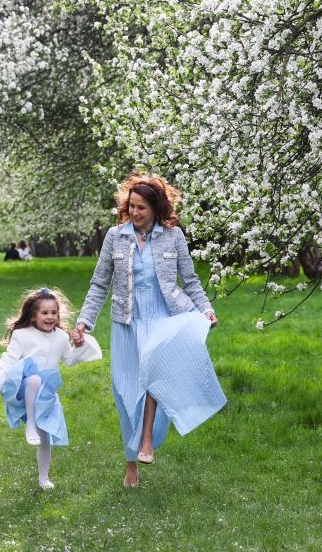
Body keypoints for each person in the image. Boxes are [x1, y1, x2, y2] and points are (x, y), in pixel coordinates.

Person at [71, 172, 226, 489]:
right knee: (126, 392)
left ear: (156, 208)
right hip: (126, 322)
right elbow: (100, 284)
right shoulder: (116, 236)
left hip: (163, 318)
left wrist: (206, 309)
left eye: (141, 207)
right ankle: (131, 462)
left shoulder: (173, 236)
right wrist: (84, 322)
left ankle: (145, 444)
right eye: (131, 206)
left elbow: (190, 281)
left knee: (154, 377)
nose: (135, 213)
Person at [0, 287, 101, 489]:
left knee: (45, 437)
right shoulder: (22, 335)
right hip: (22, 388)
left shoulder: (62, 337)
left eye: (54, 313)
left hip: (46, 396)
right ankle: (29, 425)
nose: (50, 317)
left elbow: (70, 360)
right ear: (33, 315)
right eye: (44, 313)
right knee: (35, 378)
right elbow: (9, 359)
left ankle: (43, 478)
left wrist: (79, 345)